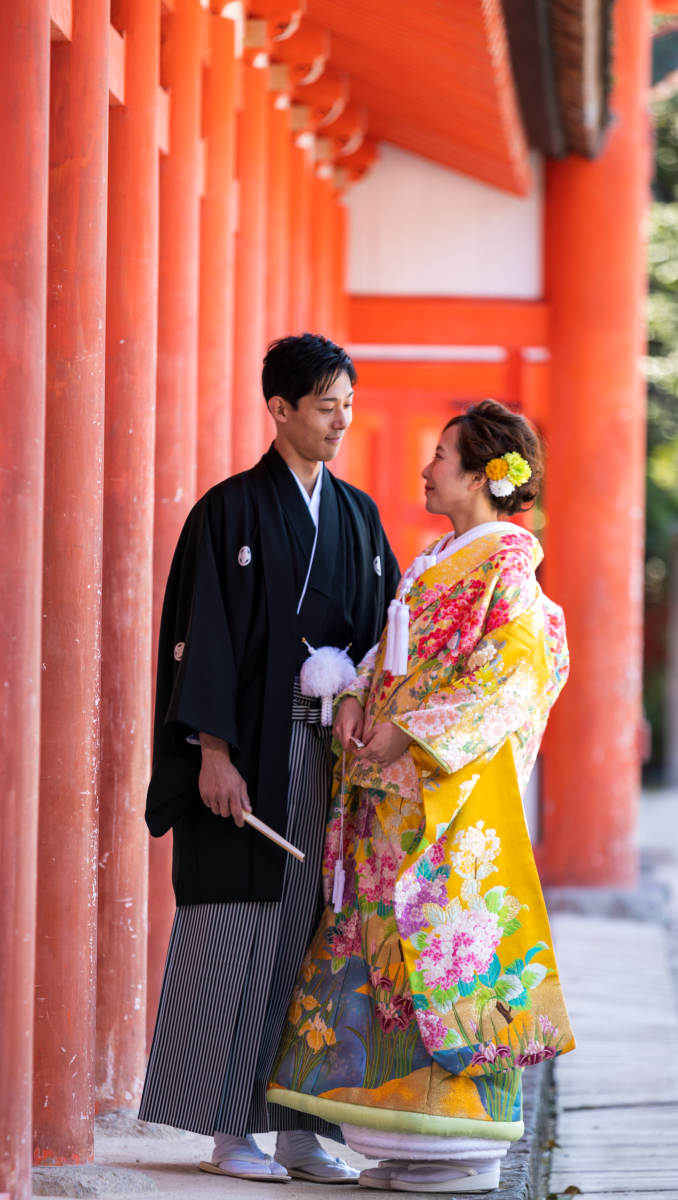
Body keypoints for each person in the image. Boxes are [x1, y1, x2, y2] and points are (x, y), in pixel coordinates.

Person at [268, 400, 574, 1193]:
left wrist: (411, 732)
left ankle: (464, 1152)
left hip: (445, 803)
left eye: (441, 455)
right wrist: (353, 695)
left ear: (481, 476)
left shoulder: (509, 565)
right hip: (390, 801)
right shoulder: (435, 559)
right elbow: (391, 653)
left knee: (449, 959)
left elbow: (515, 673)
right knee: (387, 965)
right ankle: (401, 1143)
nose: (426, 469)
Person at [140, 333, 400, 1183]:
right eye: (325, 406)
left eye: (348, 405)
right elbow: (202, 639)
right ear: (279, 408)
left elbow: (385, 632)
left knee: (316, 933)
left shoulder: (358, 515)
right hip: (252, 745)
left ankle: (300, 1131)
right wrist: (211, 752)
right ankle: (228, 1131)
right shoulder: (229, 511)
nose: (341, 422)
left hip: (330, 750)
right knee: (237, 926)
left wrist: (365, 701)